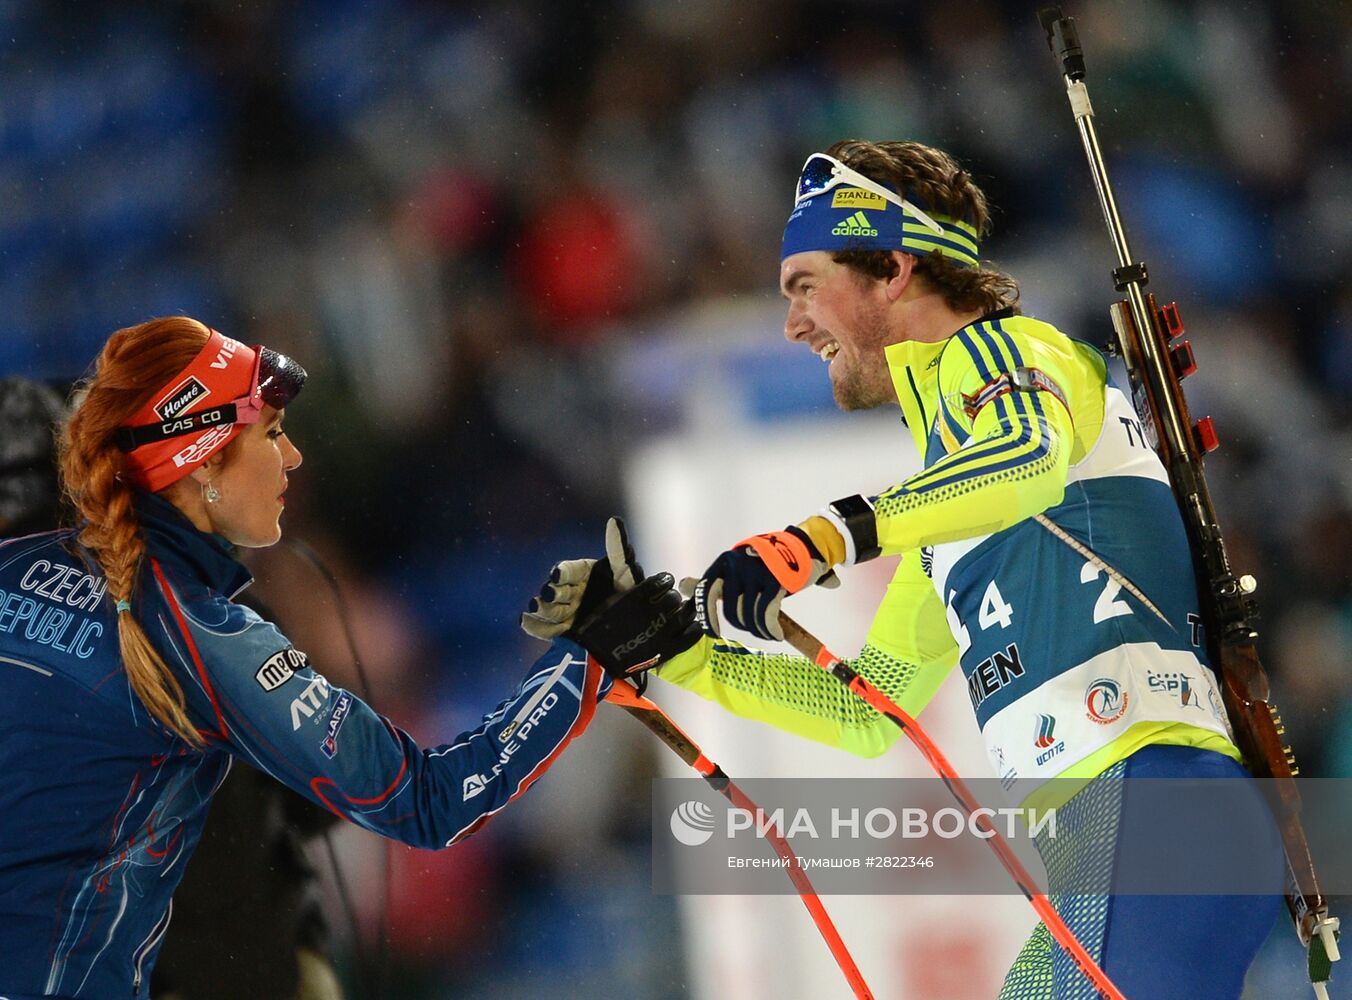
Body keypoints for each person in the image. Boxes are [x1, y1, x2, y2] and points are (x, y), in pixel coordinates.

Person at [533, 140, 1286, 999]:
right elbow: (868, 709)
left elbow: (1025, 457)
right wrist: (681, 655)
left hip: (1153, 822)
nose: (793, 323)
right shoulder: (947, 504)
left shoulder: (1007, 354)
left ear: (892, 269)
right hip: (1112, 851)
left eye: (805, 286)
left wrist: (824, 536)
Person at [0, 316, 685, 1000]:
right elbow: (429, 801)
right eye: (270, 434)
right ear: (202, 464)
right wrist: (593, 658)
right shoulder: (205, 641)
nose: (293, 457)